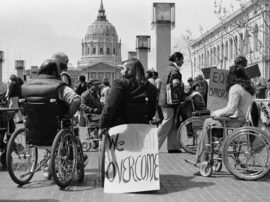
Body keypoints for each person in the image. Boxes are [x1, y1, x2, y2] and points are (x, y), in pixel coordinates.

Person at [21, 59, 88, 165]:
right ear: (54, 72)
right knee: (69, 125)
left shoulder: (25, 86)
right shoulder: (59, 86)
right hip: (55, 127)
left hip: (33, 131)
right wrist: (69, 114)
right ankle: (71, 155)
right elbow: (76, 99)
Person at [195, 64, 255, 165]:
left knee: (207, 122)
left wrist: (215, 113)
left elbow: (230, 109)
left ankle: (202, 159)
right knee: (210, 122)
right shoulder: (250, 88)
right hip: (245, 121)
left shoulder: (236, 88)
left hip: (235, 122)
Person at [98, 58, 157, 134]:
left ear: (129, 70)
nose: (120, 71)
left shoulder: (119, 84)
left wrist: (102, 125)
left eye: (122, 68)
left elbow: (110, 106)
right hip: (142, 127)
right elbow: (152, 111)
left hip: (120, 128)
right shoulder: (151, 87)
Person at [158, 51, 185, 153]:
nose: (183, 62)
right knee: (167, 123)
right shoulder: (174, 71)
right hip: (169, 102)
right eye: (182, 60)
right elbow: (176, 85)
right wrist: (183, 96)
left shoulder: (167, 69)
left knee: (173, 123)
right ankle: (152, 145)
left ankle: (173, 147)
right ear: (177, 59)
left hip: (164, 100)